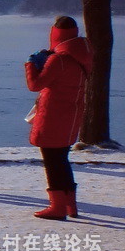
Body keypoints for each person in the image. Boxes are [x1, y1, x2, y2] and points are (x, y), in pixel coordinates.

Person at [24, 15, 92, 220]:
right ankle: (70, 205)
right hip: (71, 115)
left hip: (53, 115)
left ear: (55, 34)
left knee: (53, 162)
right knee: (62, 159)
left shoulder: (58, 59)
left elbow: (35, 85)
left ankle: (58, 207)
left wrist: (31, 65)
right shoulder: (82, 55)